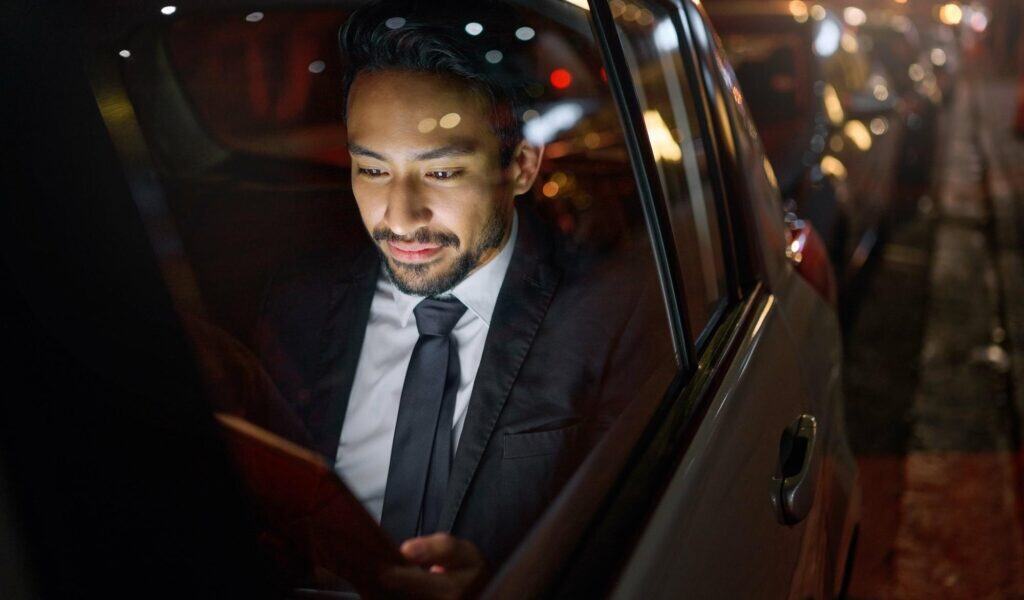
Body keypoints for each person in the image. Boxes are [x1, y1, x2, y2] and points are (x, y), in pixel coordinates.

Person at [254, 1, 671, 595]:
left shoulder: (611, 317)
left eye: (443, 173)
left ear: (521, 167)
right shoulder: (299, 304)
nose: (400, 218)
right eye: (372, 171)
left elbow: (642, 542)